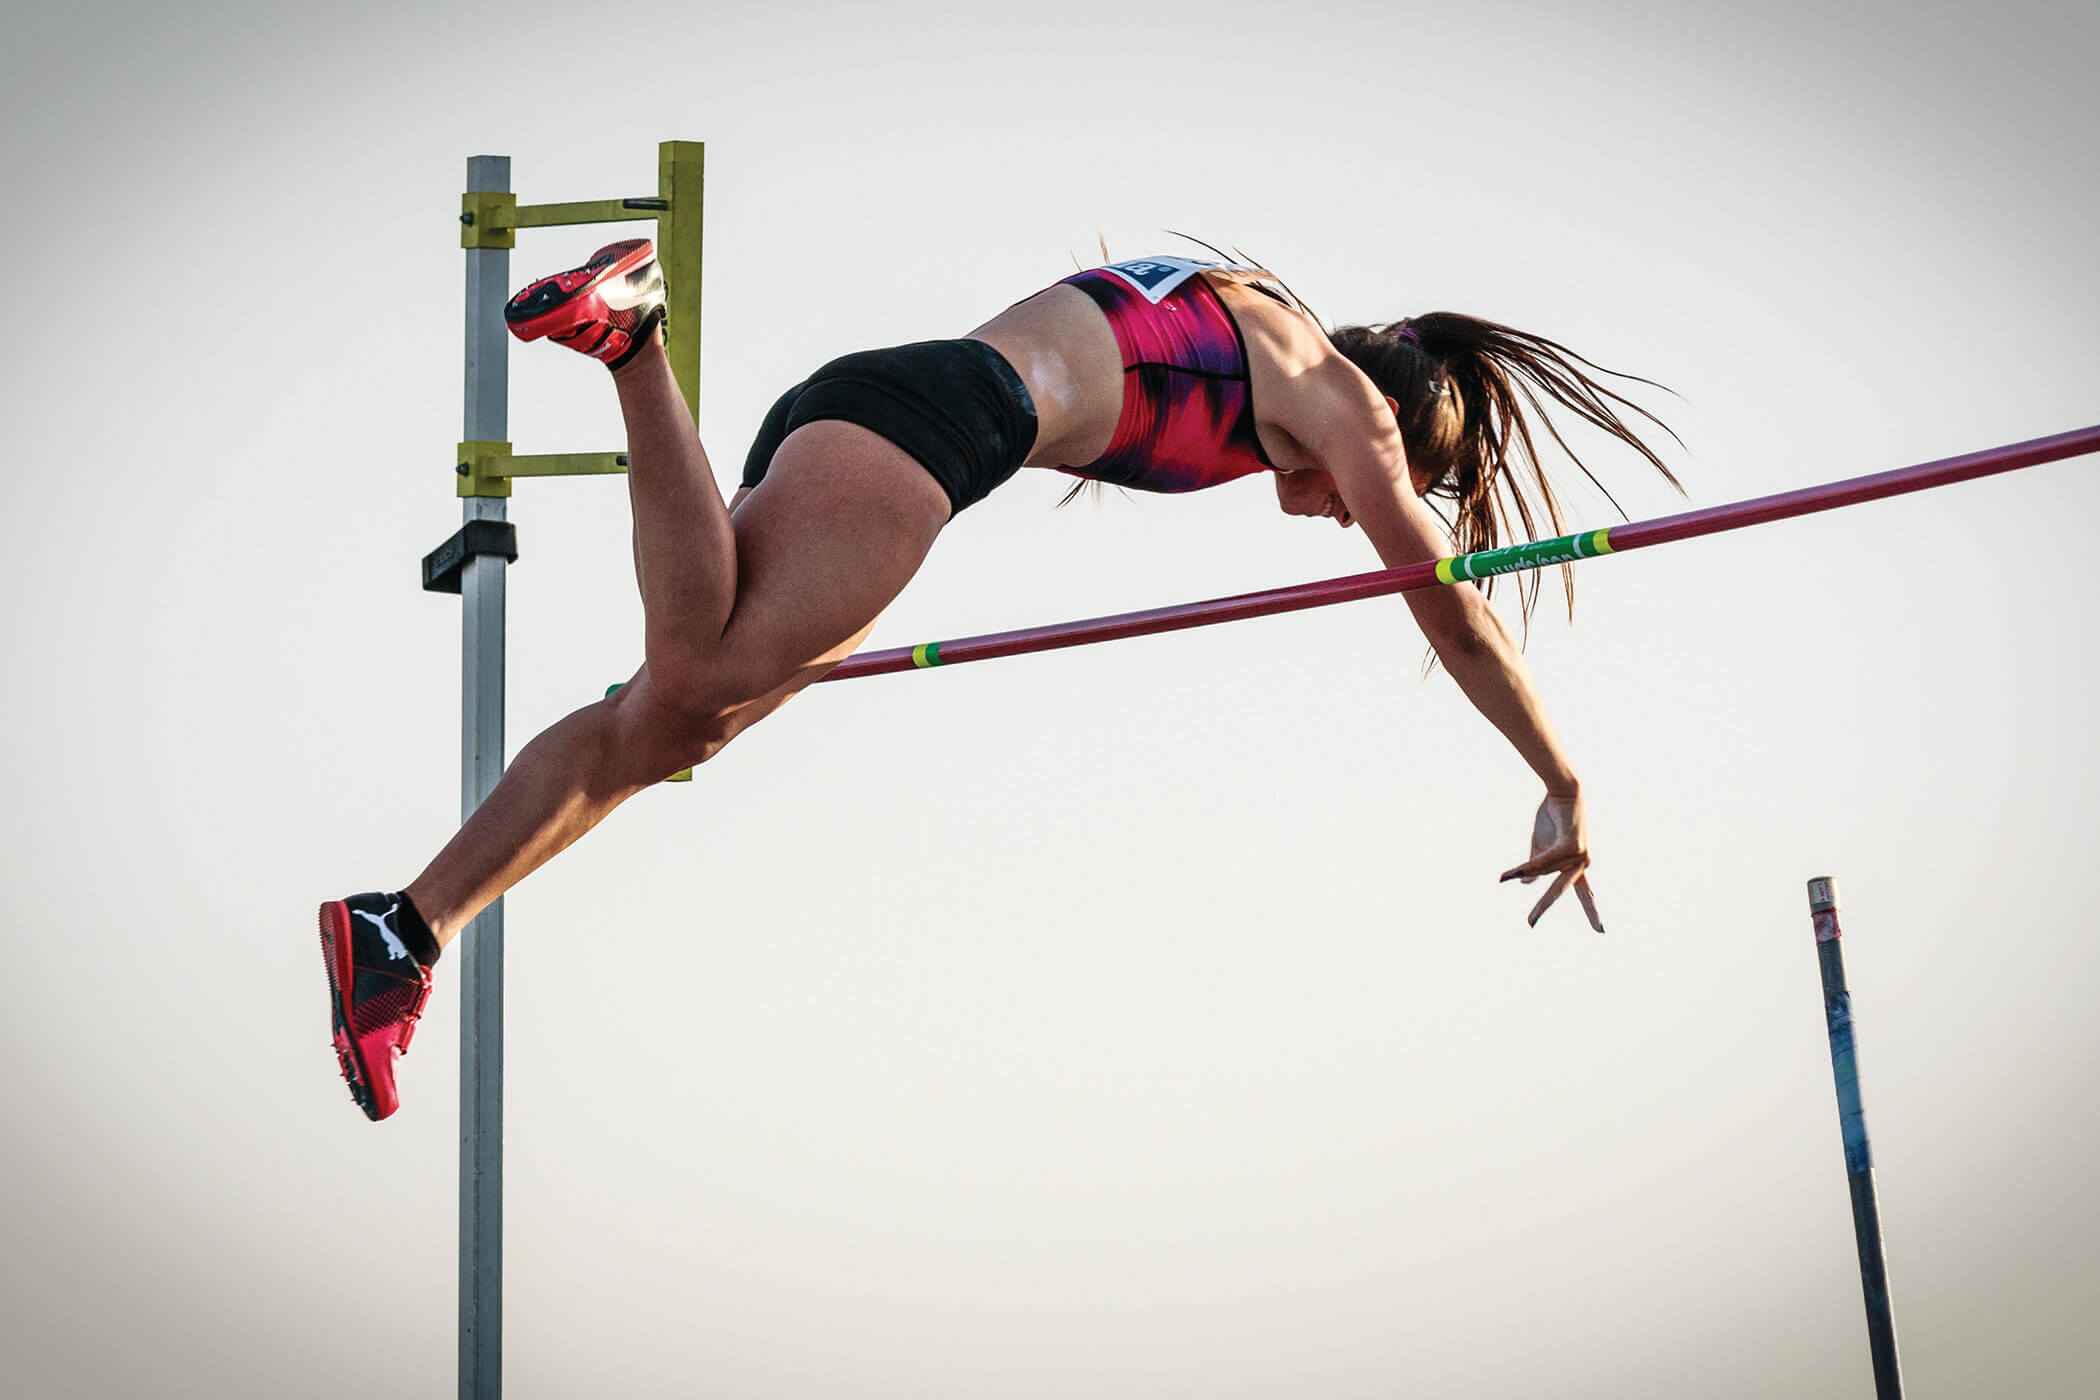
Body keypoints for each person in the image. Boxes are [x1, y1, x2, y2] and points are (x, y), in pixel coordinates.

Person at [318, 241, 1681, 1120]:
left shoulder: (1264, 324)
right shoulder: (1344, 398)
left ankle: (402, 932)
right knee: (690, 689)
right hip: (940, 429)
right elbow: (1442, 612)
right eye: (1389, 495)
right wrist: (1559, 776)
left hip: (873, 411)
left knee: (669, 721)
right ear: (1400, 431)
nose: (1348, 513)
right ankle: (636, 343)